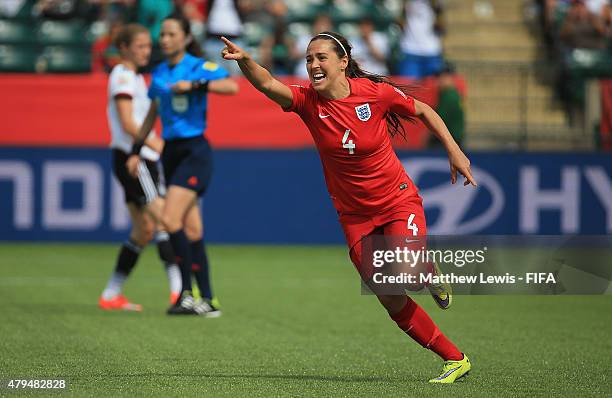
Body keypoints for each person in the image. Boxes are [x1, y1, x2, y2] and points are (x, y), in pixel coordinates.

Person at [220, 31, 475, 383]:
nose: (313, 65)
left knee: (407, 272)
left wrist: (454, 150)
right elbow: (267, 83)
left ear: (343, 63)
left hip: (397, 200)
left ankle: (427, 272)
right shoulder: (308, 102)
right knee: (390, 297)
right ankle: (454, 359)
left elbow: (423, 110)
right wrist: (246, 60)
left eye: (321, 57)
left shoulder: (376, 94)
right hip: (355, 217)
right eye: (309, 59)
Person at [127, 13, 239, 316]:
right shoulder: (160, 72)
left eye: (171, 34)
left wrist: (196, 86)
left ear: (186, 38)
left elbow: (232, 87)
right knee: (191, 229)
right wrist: (136, 149)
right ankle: (209, 300)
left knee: (169, 220)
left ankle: (186, 294)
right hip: (171, 152)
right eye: (162, 35)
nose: (164, 40)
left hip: (194, 152)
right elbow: (152, 113)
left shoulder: (198, 67)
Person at [99, 23, 182, 311]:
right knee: (166, 220)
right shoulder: (122, 77)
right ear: (124, 48)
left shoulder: (134, 78)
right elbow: (127, 123)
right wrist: (159, 146)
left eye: (149, 45)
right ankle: (181, 290)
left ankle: (111, 294)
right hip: (135, 159)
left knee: (144, 229)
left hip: (137, 157)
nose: (147, 50)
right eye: (141, 46)